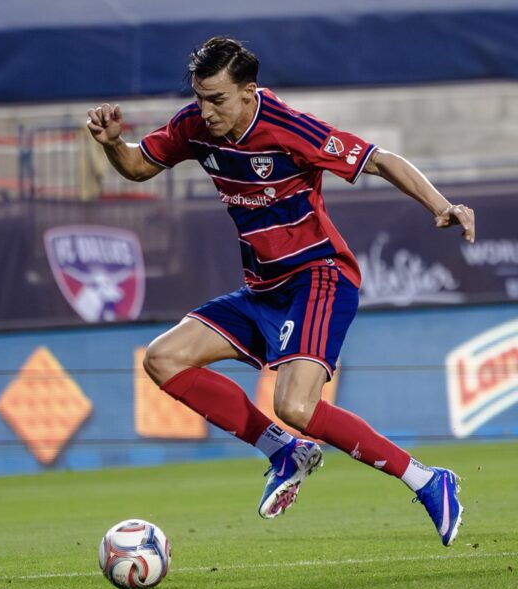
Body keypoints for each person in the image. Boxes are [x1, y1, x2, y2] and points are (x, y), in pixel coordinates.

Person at [87, 37, 475, 546]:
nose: (206, 111)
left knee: (295, 405)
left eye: (217, 100)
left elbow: (380, 160)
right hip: (262, 289)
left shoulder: (288, 127)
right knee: (163, 359)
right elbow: (140, 166)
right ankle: (283, 451)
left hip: (318, 277)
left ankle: (427, 481)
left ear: (249, 92)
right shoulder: (194, 126)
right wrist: (113, 144)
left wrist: (442, 205)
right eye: (199, 98)